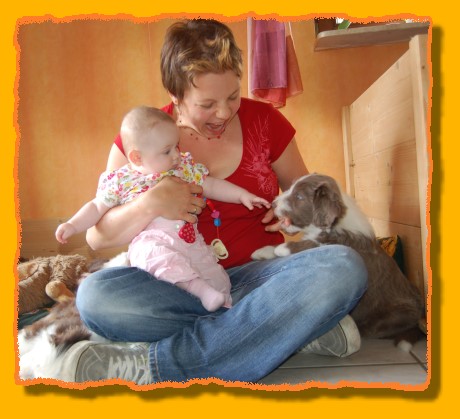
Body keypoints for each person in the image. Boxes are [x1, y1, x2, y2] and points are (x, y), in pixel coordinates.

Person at [60, 19, 368, 385]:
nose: (224, 112)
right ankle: (283, 327)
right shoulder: (142, 140)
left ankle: (154, 365)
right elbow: (97, 238)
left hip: (260, 276)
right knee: (96, 297)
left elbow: (307, 199)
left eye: (233, 96)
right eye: (207, 104)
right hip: (177, 285)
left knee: (344, 265)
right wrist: (150, 203)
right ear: (175, 96)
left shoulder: (266, 122)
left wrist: (289, 217)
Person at [55, 106, 270, 312]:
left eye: (177, 146)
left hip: (189, 240)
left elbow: (211, 185)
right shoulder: (122, 180)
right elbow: (96, 207)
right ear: (137, 157)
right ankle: (200, 292)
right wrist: (72, 225)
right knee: (155, 262)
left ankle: (221, 307)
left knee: (215, 275)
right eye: (167, 151)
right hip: (152, 242)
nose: (176, 155)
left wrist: (243, 195)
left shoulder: (182, 169)